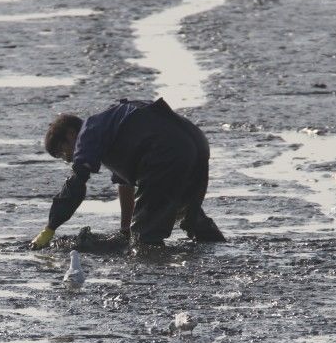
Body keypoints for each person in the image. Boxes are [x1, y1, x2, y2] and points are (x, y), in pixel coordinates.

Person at [29, 97, 226, 249]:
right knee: (187, 212)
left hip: (165, 150)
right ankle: (221, 250)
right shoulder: (112, 130)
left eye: (64, 153)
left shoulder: (89, 130)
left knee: (145, 239)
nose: (69, 159)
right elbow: (125, 185)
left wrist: (51, 227)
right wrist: (126, 230)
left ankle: (153, 275)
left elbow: (76, 183)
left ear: (71, 134)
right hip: (195, 144)